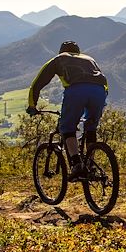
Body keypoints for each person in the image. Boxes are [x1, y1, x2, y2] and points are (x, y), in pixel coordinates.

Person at [27, 40, 108, 181]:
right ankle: (90, 166)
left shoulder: (59, 59)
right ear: (78, 52)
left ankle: (77, 164)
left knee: (67, 127)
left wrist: (32, 106)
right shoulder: (89, 59)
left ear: (61, 51)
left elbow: (37, 84)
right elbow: (103, 82)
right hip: (100, 91)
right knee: (90, 128)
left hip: (76, 90)